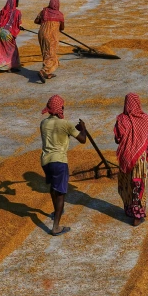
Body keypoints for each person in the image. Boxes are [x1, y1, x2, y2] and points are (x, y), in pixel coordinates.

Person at [40, 94, 87, 235]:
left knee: (53, 188)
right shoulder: (66, 124)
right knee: (60, 194)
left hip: (45, 161)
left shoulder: (43, 123)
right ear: (61, 108)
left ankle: (56, 212)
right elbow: (82, 139)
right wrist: (82, 128)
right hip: (59, 161)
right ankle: (56, 227)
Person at [114, 93, 148, 226]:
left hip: (126, 157)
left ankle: (130, 209)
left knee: (127, 184)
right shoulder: (145, 118)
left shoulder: (121, 119)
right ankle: (137, 215)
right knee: (138, 184)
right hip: (140, 157)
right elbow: (147, 134)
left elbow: (117, 139)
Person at [34, 0, 65, 83]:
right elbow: (62, 28)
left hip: (41, 34)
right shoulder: (60, 14)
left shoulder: (44, 11)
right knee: (51, 53)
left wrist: (45, 22)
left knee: (46, 52)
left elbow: (36, 21)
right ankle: (43, 71)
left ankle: (48, 73)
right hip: (51, 36)